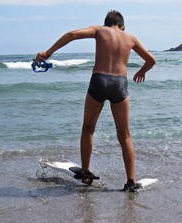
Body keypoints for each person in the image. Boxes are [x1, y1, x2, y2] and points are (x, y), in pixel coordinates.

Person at [36, 10, 156, 191]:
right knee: (125, 136)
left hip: (99, 81)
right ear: (123, 26)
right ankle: (131, 182)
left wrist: (48, 52)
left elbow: (72, 35)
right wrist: (141, 72)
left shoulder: (100, 30)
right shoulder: (129, 37)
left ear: (106, 23)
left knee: (88, 129)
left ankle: (85, 173)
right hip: (119, 84)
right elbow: (151, 60)